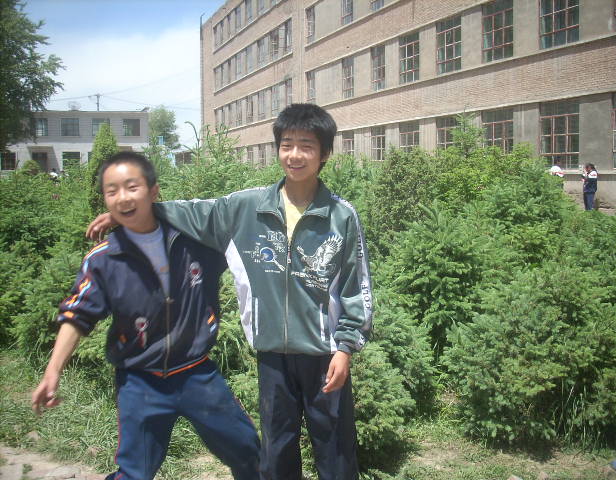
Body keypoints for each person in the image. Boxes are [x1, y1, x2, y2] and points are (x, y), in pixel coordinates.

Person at [87, 104, 373, 480]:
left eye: (306, 146)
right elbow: (192, 213)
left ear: (325, 154)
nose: (295, 155)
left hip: (325, 354)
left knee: (335, 450)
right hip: (272, 355)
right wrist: (131, 211)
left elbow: (356, 286)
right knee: (277, 450)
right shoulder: (246, 208)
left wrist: (345, 347)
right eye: (287, 144)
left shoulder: (341, 216)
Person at [33, 152, 260, 480]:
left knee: (249, 452)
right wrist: (53, 371)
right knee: (134, 472)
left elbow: (239, 221)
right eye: (112, 191)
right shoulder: (104, 259)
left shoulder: (195, 241)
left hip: (198, 374)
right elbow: (78, 314)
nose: (122, 198)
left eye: (132, 187)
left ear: (154, 191)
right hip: (140, 382)